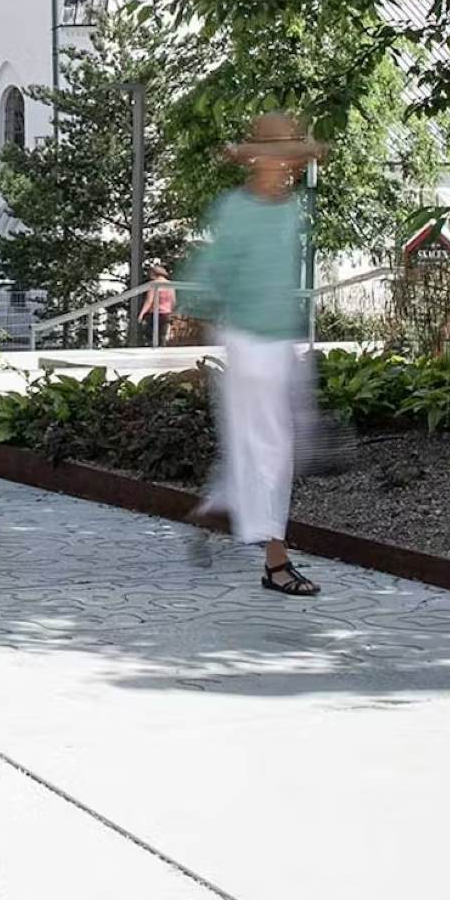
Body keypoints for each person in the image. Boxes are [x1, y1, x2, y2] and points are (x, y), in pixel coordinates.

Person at [182, 112, 324, 599]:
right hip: (248, 342)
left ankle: (220, 509)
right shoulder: (236, 209)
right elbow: (211, 269)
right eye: (277, 158)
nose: (283, 168)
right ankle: (275, 560)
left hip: (281, 343)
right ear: (257, 160)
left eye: (289, 161)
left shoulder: (291, 208)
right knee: (273, 454)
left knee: (271, 450)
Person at [139, 262, 178, 346]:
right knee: (162, 336)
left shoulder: (154, 284)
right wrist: (172, 312)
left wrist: (142, 313)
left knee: (151, 335)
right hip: (166, 313)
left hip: (155, 313)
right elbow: (173, 300)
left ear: (153, 274)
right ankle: (162, 352)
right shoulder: (170, 285)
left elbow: (149, 300)